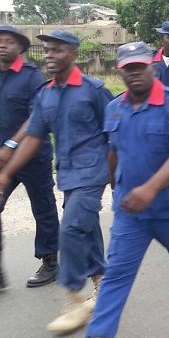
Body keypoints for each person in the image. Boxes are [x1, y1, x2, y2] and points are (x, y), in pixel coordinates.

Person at [85, 42, 169, 338]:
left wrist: (150, 189)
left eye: (140, 67)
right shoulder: (114, 108)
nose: (134, 73)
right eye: (128, 68)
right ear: (120, 72)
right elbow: (113, 150)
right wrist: (112, 182)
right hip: (131, 211)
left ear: (152, 68)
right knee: (116, 274)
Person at [0, 30, 113, 333]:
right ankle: (103, 282)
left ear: (73, 54)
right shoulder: (46, 93)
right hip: (66, 172)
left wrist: (117, 176)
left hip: (93, 172)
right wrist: (7, 172)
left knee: (72, 228)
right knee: (84, 226)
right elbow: (34, 137)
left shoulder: (95, 90)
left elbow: (115, 133)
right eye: (47, 50)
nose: (49, 55)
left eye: (57, 50)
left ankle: (73, 297)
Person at [0, 25, 59, 288]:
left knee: (43, 209)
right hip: (2, 160)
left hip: (33, 157)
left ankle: (49, 261)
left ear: (21, 48)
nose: (2, 45)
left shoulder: (32, 77)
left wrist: (11, 144)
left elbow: (36, 117)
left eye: (8, 41)